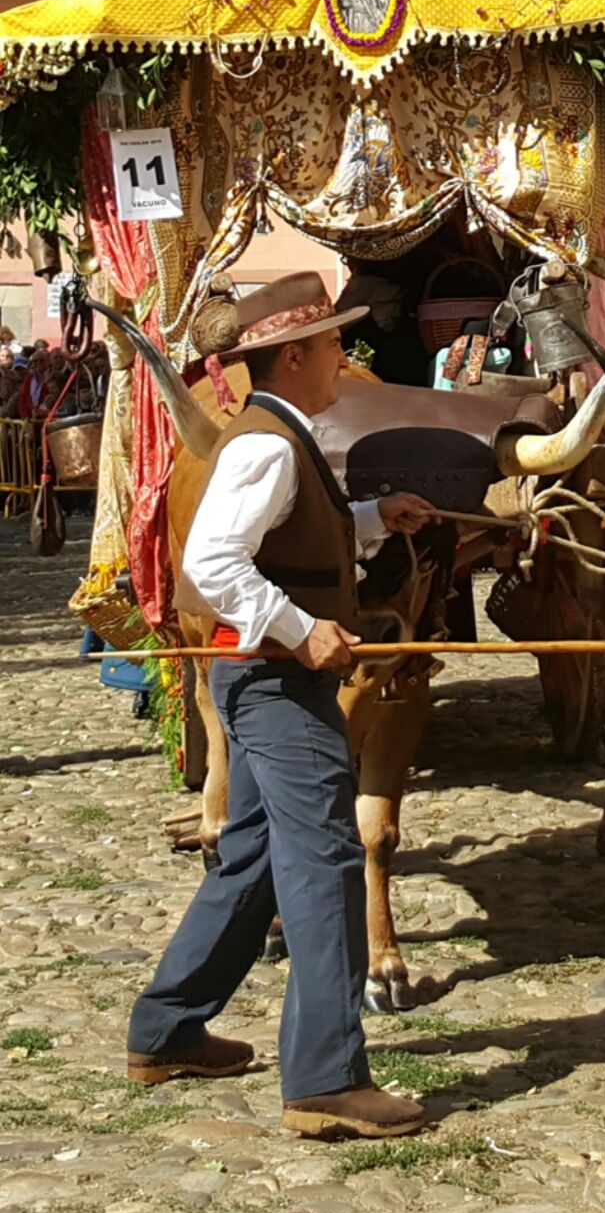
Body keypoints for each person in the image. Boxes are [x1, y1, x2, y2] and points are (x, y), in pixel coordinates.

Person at [126, 273, 436, 1141]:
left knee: (255, 856)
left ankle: (166, 1031)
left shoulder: (281, 434)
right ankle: (327, 1078)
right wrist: (303, 631)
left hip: (261, 679)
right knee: (328, 858)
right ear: (293, 356)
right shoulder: (264, 445)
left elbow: (288, 540)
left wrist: (372, 517)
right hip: (274, 683)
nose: (346, 354)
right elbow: (213, 566)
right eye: (334, 341)